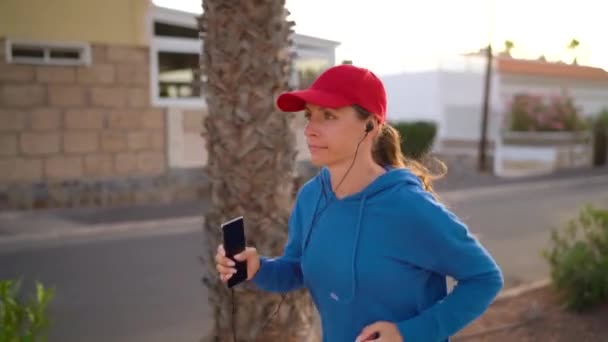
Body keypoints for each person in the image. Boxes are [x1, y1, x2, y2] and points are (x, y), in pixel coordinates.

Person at [215, 64, 503, 342]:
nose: (310, 129)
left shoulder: (409, 207)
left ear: (370, 126)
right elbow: (297, 269)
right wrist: (258, 268)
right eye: (309, 116)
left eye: (328, 116)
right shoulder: (311, 197)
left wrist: (409, 334)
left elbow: (484, 279)